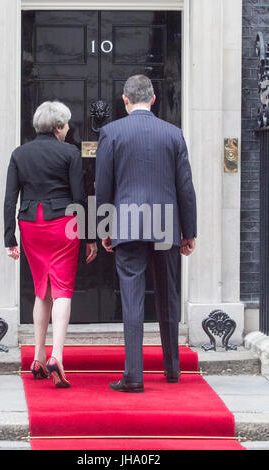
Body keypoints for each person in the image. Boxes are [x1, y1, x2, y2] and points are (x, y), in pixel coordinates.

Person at [95, 75, 197, 393]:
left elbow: (104, 185)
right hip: (166, 223)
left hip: (127, 223)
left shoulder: (111, 132)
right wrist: (189, 231)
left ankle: (134, 375)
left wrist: (103, 228)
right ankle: (172, 369)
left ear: (125, 100)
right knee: (167, 295)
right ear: (152, 99)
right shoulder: (173, 134)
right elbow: (186, 188)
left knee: (132, 299)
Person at [4, 101, 97, 388]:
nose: (69, 128)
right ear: (58, 126)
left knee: (41, 290)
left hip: (31, 225)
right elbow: (79, 197)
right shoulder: (70, 152)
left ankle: (38, 357)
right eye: (66, 124)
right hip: (63, 224)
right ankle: (57, 355)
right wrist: (90, 235)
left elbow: (10, 199)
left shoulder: (20, 153)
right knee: (63, 290)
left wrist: (10, 238)